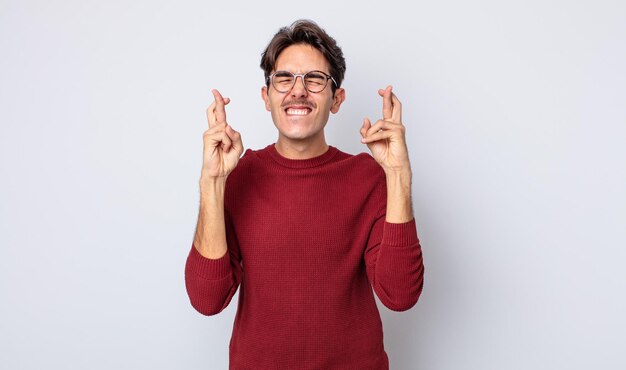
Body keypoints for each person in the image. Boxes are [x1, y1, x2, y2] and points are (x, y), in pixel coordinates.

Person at [185, 19, 424, 370]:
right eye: (284, 79)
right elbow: (208, 300)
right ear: (267, 98)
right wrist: (211, 182)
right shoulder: (238, 176)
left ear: (336, 99)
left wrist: (399, 174)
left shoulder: (369, 178)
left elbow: (400, 295)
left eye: (314, 79)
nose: (298, 91)